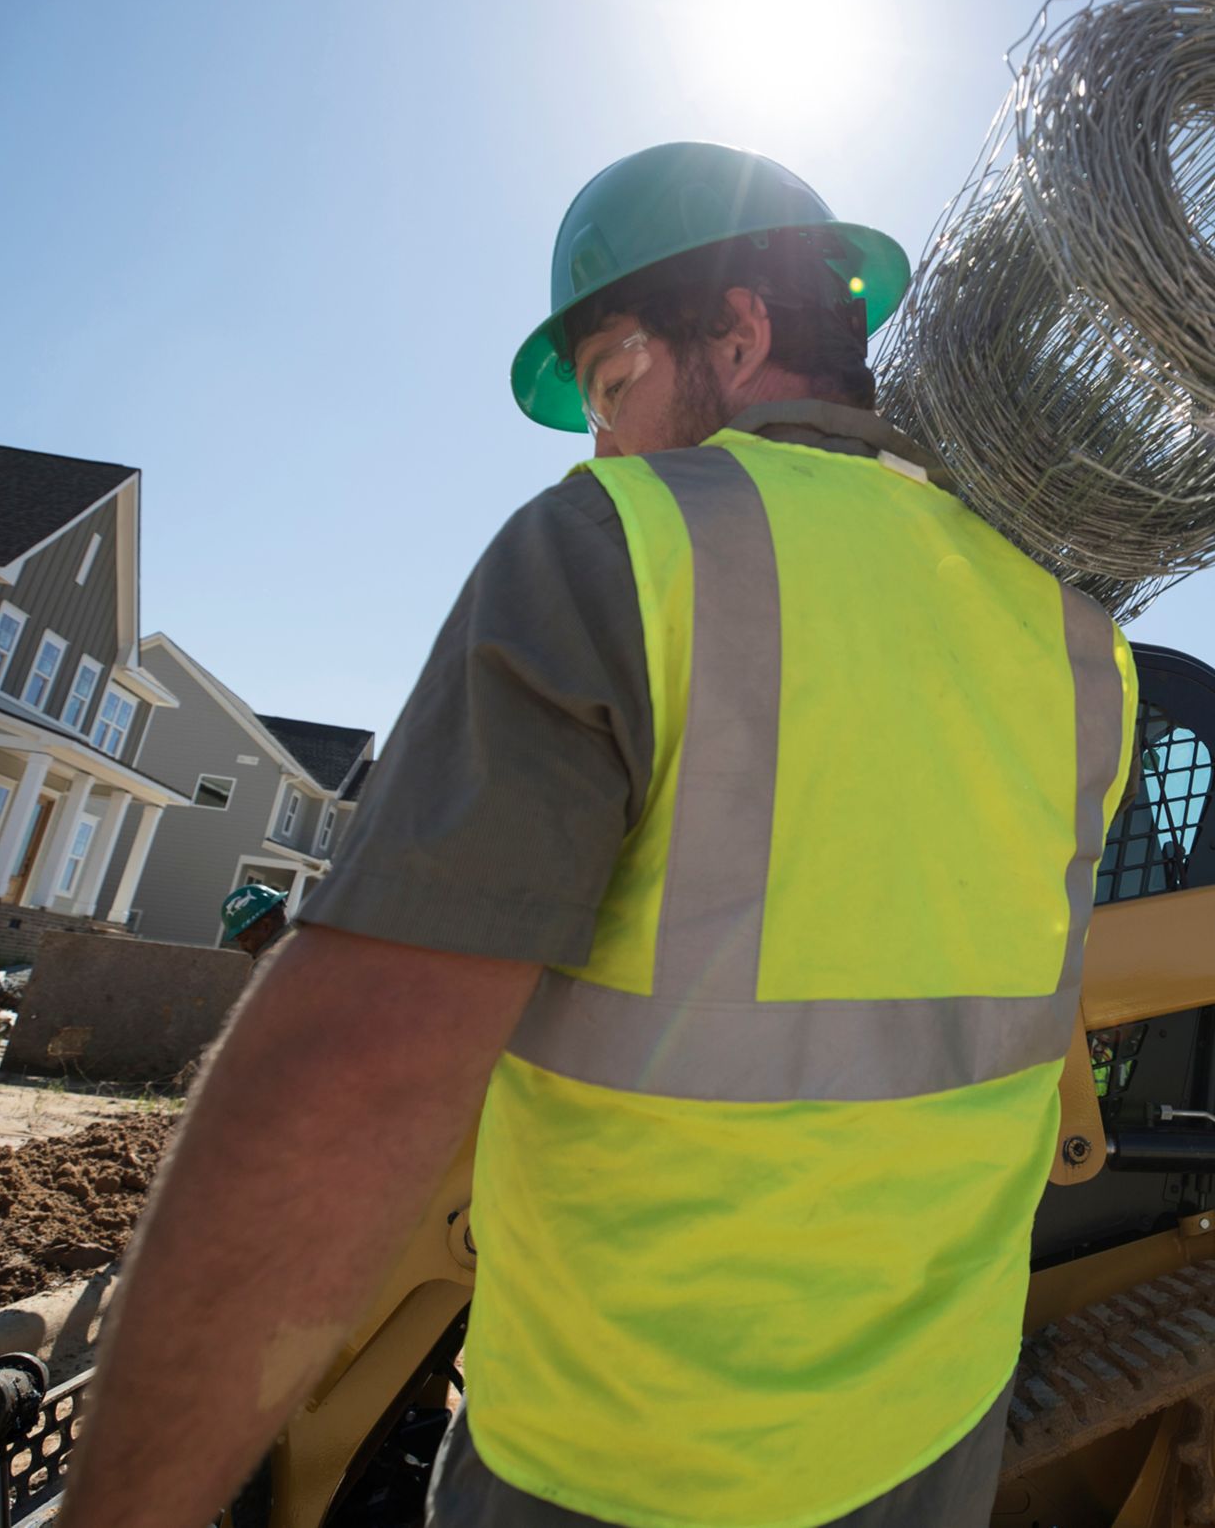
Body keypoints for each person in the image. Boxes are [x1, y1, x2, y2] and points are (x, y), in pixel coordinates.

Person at [61, 142, 1137, 1528]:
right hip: (931, 1452)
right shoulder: (1077, 645)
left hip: (622, 1471)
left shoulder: (617, 546)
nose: (603, 439)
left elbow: (353, 1075)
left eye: (615, 380)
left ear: (741, 331)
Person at [218, 882, 289, 958]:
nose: (243, 947)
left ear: (266, 926)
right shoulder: (298, 946)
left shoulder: (274, 963)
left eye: (244, 939)